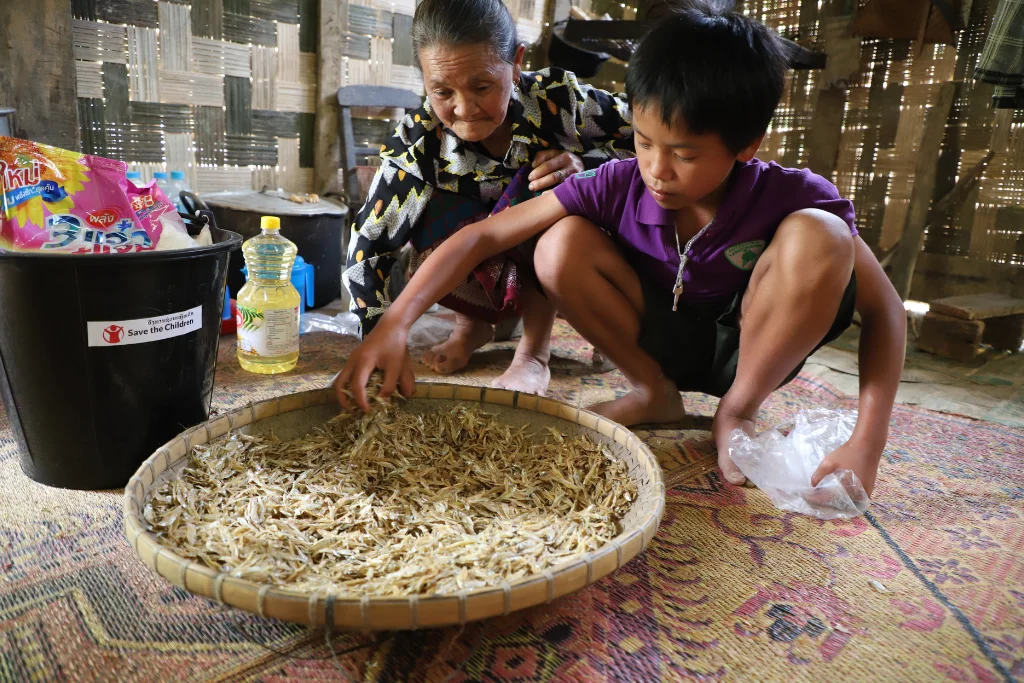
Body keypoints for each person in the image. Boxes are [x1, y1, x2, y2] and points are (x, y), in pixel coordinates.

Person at [335, 5, 906, 496]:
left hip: (750, 353)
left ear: (747, 145)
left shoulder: (792, 194)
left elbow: (885, 312)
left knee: (821, 234)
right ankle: (652, 391)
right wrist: (395, 323)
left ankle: (736, 413)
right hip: (654, 337)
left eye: (683, 154)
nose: (655, 170)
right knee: (557, 242)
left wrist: (869, 441)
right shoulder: (621, 180)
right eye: (643, 141)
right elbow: (484, 236)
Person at [344, 0, 634, 396]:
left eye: (482, 87)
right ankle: (472, 325)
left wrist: (586, 166)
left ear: (516, 63)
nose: (463, 108)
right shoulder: (420, 139)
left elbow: (653, 138)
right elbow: (367, 248)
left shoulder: (556, 102)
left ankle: (534, 353)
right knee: (424, 205)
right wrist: (377, 335)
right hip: (482, 273)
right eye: (442, 90)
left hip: (565, 267)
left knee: (544, 186)